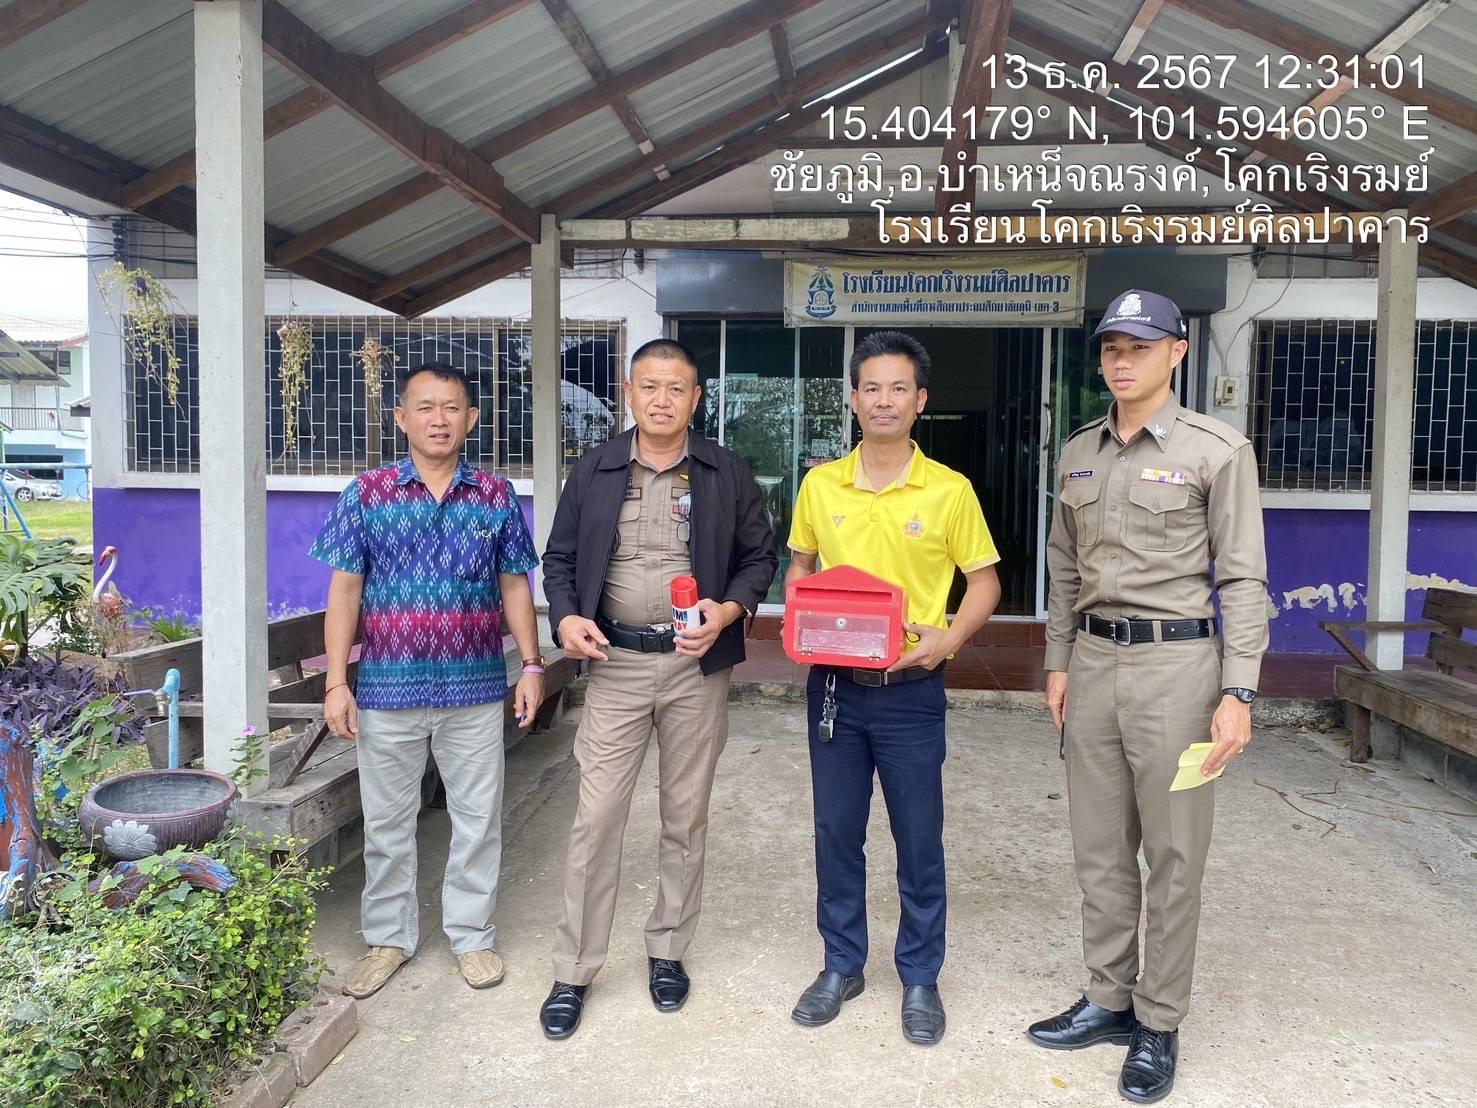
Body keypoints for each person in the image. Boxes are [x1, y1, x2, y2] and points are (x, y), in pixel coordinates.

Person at [1031, 289, 1269, 1103]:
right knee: (1098, 849)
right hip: (1093, 664)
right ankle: (1107, 998)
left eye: (1138, 346)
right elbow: (1063, 568)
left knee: (1172, 854)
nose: (1121, 361)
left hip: (1179, 671)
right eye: (1110, 348)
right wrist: (1057, 662)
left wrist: (1238, 690)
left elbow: (1241, 578)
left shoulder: (1216, 449)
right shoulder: (1077, 452)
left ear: (1176, 352)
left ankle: (1158, 1020)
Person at [538, 338, 776, 1040]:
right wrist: (567, 617)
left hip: (694, 668)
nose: (662, 399)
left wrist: (727, 612)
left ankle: (668, 950)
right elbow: (558, 558)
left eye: (676, 388)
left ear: (696, 399)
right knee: (596, 818)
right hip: (614, 663)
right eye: (649, 386)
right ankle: (574, 968)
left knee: (684, 816)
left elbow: (759, 557)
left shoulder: (725, 471)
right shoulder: (595, 468)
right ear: (629, 393)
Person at [785, 330, 1001, 1046]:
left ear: (920, 401)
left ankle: (919, 976)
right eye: (871, 387)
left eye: (898, 388)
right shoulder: (821, 485)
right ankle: (841, 965)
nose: (884, 400)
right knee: (835, 832)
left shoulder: (949, 490)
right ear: (853, 398)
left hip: (911, 691)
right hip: (833, 690)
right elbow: (799, 566)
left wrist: (949, 639)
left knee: (917, 836)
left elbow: (984, 583)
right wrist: (802, 618)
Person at [310, 361, 544, 999]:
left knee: (477, 819)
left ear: (472, 419)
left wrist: (531, 664)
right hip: (388, 689)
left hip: (475, 687)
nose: (439, 420)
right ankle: (389, 938)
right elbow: (344, 592)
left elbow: (515, 585)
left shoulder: (495, 495)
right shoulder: (367, 493)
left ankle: (471, 936)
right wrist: (336, 682)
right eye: (425, 407)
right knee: (387, 823)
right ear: (401, 418)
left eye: (452, 408)